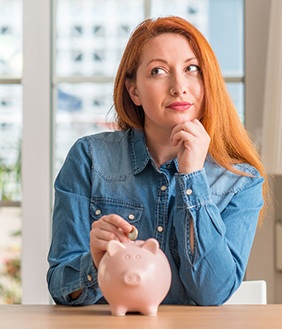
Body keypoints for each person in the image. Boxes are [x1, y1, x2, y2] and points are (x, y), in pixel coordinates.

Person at [47, 16, 267, 306]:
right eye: (158, 71)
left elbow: (212, 294)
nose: (179, 86)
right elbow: (60, 286)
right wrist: (95, 264)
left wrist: (192, 178)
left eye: (192, 69)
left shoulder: (240, 180)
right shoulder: (89, 158)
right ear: (134, 90)